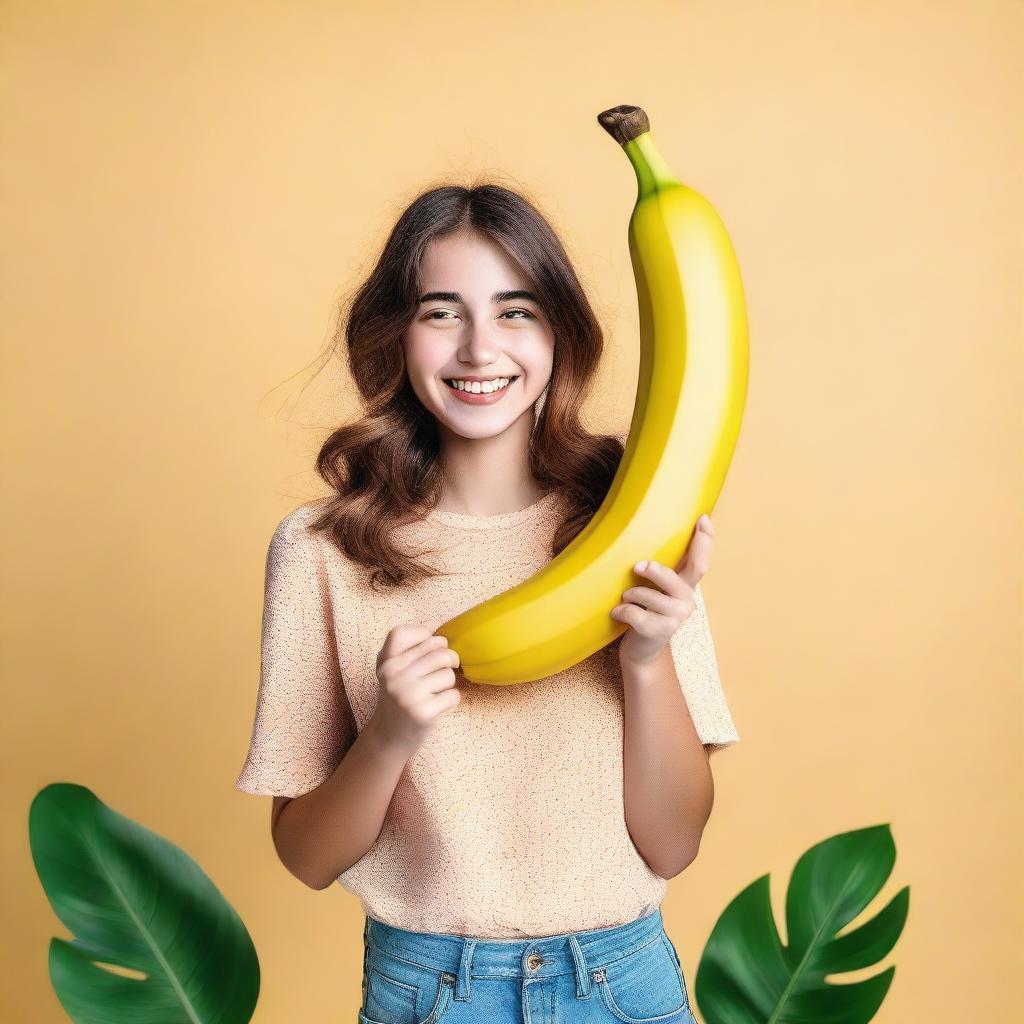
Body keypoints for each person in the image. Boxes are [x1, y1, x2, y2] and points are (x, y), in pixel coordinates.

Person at [235, 182, 740, 1024]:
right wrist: (391, 733)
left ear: (559, 336)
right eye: (442, 312)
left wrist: (647, 663)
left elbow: (672, 844)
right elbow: (306, 857)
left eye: (516, 312)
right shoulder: (323, 550)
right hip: (428, 992)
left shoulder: (631, 533)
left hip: (623, 986)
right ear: (396, 334)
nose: (478, 349)